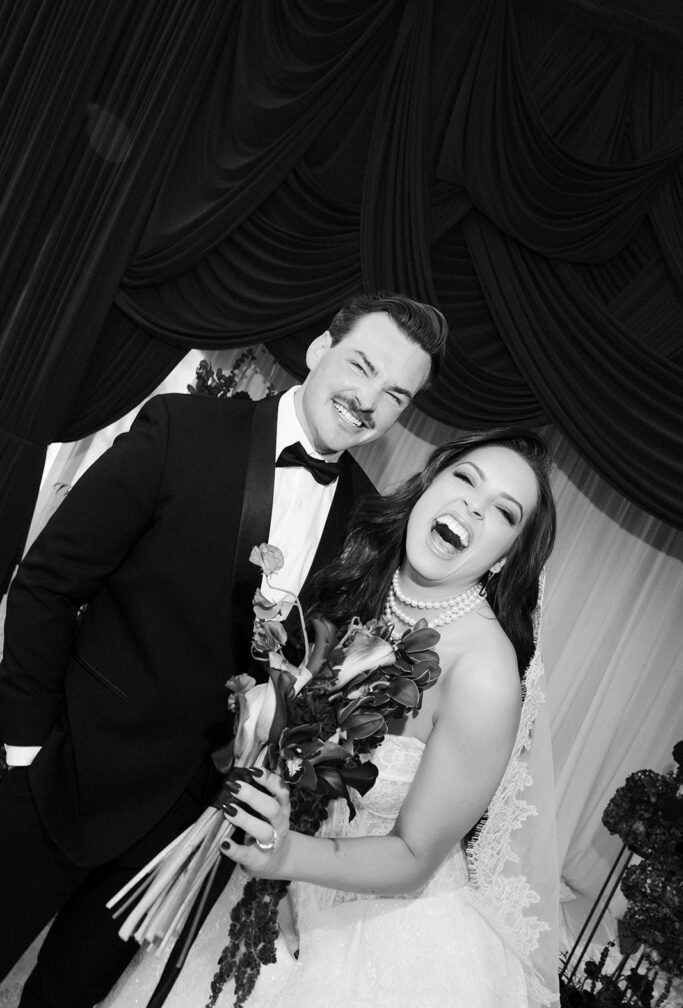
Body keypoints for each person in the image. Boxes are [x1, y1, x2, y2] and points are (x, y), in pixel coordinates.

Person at [0, 292, 448, 1008]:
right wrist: (24, 748)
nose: (368, 401)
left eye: (396, 394)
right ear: (319, 350)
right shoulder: (184, 429)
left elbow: (311, 684)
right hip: (63, 773)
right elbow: (49, 582)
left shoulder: (368, 530)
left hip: (185, 833)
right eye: (362, 366)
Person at [99, 427, 560, 1008]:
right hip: (266, 869)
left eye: (504, 512)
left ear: (507, 557)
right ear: (428, 485)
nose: (473, 505)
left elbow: (414, 857)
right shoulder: (358, 574)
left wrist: (286, 858)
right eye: (465, 478)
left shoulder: (485, 676)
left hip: (374, 933)